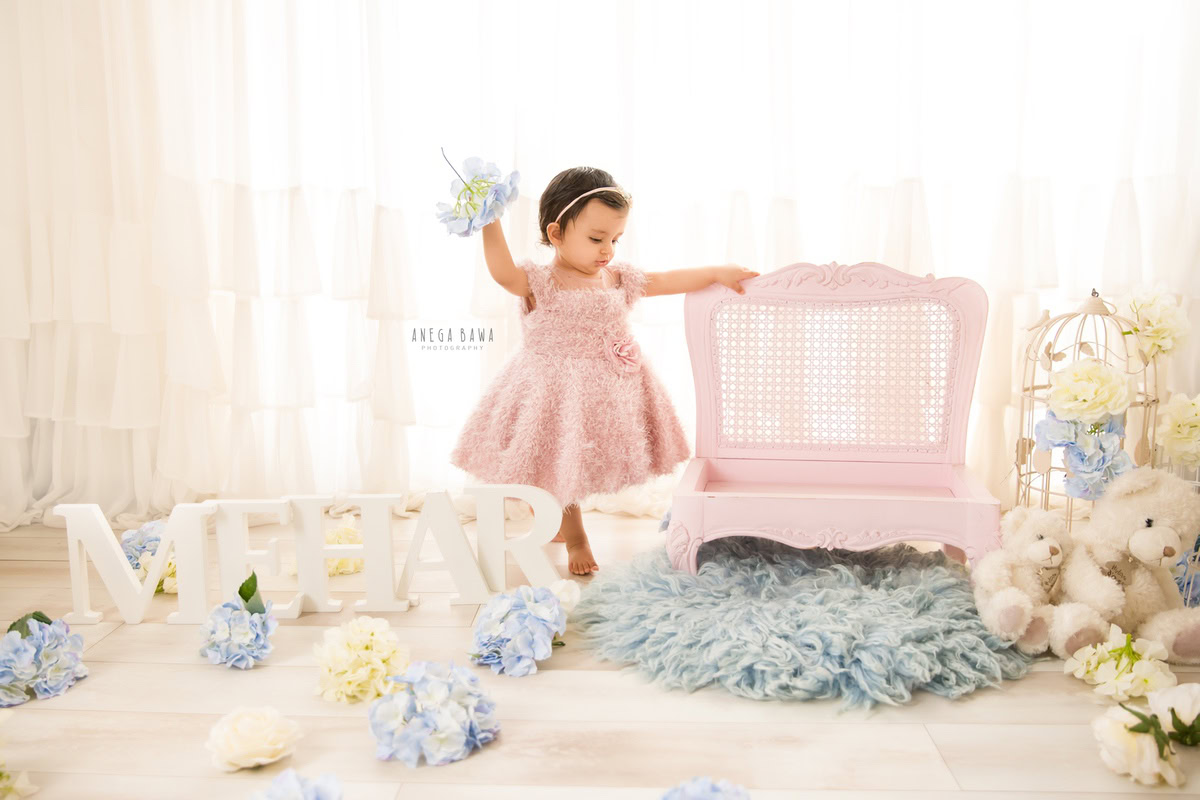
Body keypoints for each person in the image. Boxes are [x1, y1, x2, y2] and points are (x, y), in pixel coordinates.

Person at [450, 166, 758, 575]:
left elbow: (665, 280)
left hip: (606, 390)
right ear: (556, 234)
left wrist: (716, 273)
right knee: (560, 458)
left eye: (615, 239)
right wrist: (489, 220)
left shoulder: (615, 278)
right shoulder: (541, 281)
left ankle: (553, 515)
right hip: (553, 389)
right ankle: (576, 537)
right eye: (596, 239)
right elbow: (503, 273)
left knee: (578, 462)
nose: (607, 250)